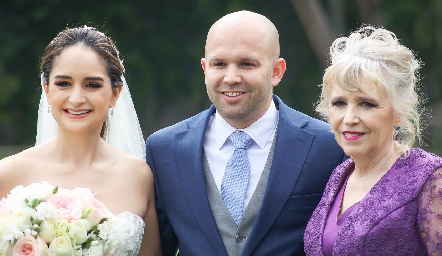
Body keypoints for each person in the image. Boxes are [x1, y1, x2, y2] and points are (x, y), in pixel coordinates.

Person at [146, 10, 345, 256]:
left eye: (247, 64)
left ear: (276, 71)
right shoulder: (163, 149)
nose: (231, 77)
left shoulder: (329, 145)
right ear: (205, 68)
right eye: (219, 64)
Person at [0, 26, 162, 255]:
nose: (76, 99)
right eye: (63, 83)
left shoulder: (138, 176)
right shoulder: (7, 174)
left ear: (115, 93)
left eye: (92, 85)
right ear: (47, 89)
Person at [303, 25, 442, 255]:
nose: (349, 118)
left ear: (399, 111)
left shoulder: (430, 178)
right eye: (339, 103)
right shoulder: (340, 175)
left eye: (366, 104)